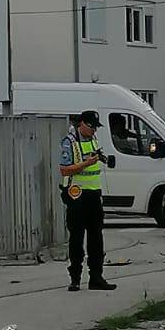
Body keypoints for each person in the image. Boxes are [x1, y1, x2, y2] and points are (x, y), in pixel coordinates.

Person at [59, 110, 117, 292]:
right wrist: (87, 163)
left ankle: (96, 277)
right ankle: (75, 278)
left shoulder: (93, 140)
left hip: (94, 194)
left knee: (96, 237)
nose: (94, 131)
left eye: (96, 128)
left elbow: (96, 162)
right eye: (91, 127)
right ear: (82, 124)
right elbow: (64, 170)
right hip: (76, 195)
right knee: (76, 238)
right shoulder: (69, 142)